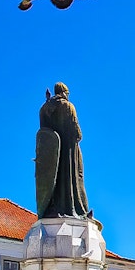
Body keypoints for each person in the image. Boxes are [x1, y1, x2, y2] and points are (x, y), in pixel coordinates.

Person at [36, 82, 92, 219]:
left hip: (52, 154)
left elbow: (44, 133)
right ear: (64, 92)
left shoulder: (44, 109)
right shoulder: (68, 106)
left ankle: (53, 207)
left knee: (54, 178)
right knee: (72, 179)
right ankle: (76, 209)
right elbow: (77, 134)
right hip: (69, 150)